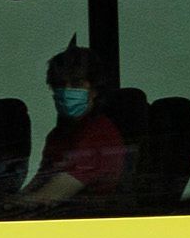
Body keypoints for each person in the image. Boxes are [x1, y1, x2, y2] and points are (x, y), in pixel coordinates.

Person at [11, 47, 127, 211]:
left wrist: (16, 203)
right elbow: (40, 181)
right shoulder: (58, 135)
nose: (66, 91)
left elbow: (48, 196)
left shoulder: (100, 135)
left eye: (76, 84)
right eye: (59, 85)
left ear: (94, 90)